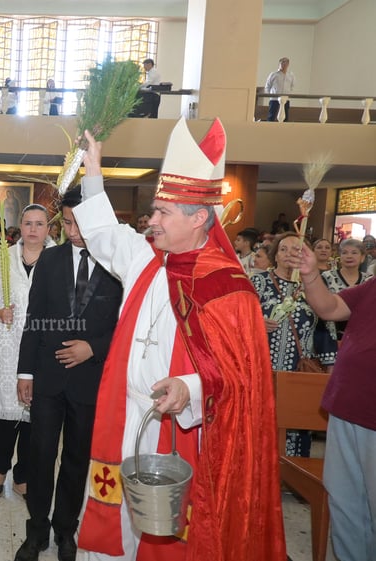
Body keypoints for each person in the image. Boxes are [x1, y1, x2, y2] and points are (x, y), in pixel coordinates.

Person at [74, 119, 285, 560]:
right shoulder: (146, 259)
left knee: (170, 535)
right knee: (115, 534)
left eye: (162, 213)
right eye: (154, 212)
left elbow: (243, 378)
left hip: (181, 428)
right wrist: (93, 169)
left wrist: (189, 386)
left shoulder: (227, 287)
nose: (151, 221)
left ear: (198, 218)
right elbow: (103, 234)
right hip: (127, 414)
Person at [14, 185, 122, 561]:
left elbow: (125, 324)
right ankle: (36, 531)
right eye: (68, 223)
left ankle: (65, 530)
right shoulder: (52, 258)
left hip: (91, 380)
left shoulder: (116, 264)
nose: (73, 231)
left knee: (77, 459)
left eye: (79, 223)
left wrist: (93, 347)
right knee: (41, 455)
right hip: (47, 375)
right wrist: (25, 372)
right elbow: (34, 318)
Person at [0, 204, 52, 501]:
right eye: (28, 223)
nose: (33, 229)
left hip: (43, 346)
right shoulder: (4, 258)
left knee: (34, 414)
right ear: (20, 227)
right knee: (8, 411)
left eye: (39, 224)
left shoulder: (57, 261)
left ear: (48, 229)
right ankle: (0, 469)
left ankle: (23, 473)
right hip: (8, 343)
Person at [296, 243, 376, 561]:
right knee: (345, 500)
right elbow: (329, 308)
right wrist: (311, 274)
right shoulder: (372, 288)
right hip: (346, 407)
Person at [252, 232, 317, 457]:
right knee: (259, 418)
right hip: (261, 369)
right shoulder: (258, 282)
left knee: (296, 421)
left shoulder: (315, 286)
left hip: (299, 370)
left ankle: (293, 475)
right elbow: (237, 318)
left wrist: (331, 366)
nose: (290, 254)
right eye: (283, 249)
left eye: (297, 250)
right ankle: (260, 473)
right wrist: (256, 323)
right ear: (275, 256)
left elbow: (326, 328)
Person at [313, 238, 371, 370]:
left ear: (362, 257)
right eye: (345, 252)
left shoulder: (369, 281)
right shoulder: (326, 277)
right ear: (339, 256)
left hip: (361, 338)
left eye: (354, 253)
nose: (349, 256)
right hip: (329, 336)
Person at [265, 57, 294, 122]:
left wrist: (288, 94)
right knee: (271, 116)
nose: (284, 64)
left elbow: (292, 86)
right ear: (279, 64)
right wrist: (271, 95)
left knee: (285, 118)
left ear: (288, 64)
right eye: (282, 62)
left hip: (285, 99)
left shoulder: (290, 75)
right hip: (274, 99)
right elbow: (267, 86)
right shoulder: (273, 74)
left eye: (285, 63)